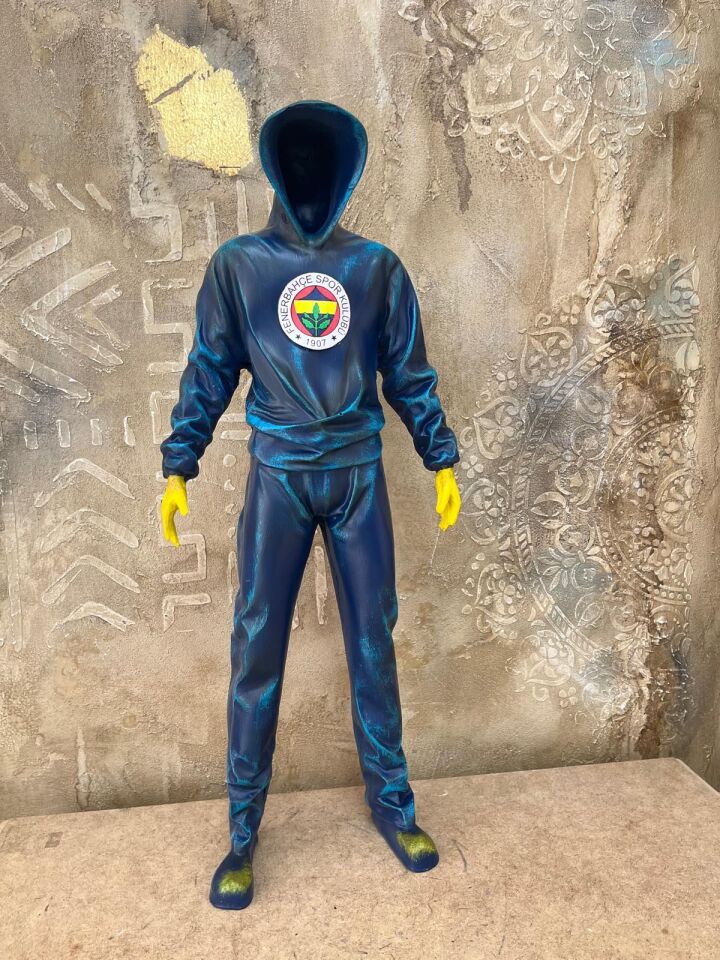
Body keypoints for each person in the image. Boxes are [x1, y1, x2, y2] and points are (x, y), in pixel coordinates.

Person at [160, 100, 462, 910]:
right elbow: (210, 367)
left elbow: (408, 373)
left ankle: (393, 805)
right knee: (257, 645)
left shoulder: (375, 268)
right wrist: (180, 461)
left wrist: (440, 456)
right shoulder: (240, 266)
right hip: (280, 477)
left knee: (374, 642)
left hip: (359, 475)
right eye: (293, 163)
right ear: (273, 168)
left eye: (320, 164)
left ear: (345, 172)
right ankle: (241, 833)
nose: (307, 178)